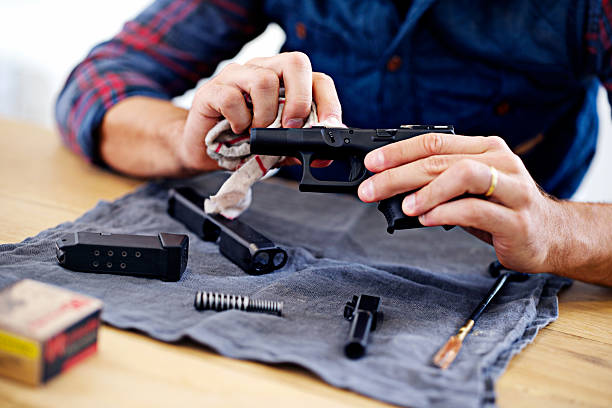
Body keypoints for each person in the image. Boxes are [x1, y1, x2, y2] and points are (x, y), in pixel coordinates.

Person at [56, 0, 612, 286]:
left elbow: (556, 234)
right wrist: (188, 141)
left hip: (490, 269)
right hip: (286, 233)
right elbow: (97, 85)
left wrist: (557, 232)